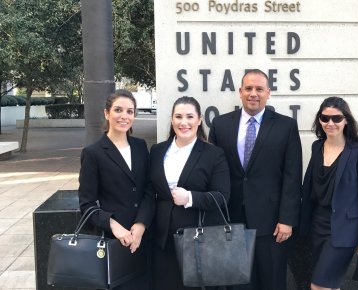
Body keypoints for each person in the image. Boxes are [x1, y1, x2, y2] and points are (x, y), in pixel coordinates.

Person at [209, 69, 302, 290]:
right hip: (231, 218)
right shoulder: (220, 125)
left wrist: (287, 219)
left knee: (271, 280)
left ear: (268, 93)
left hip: (271, 222)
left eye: (259, 89)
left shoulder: (286, 126)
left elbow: (292, 174)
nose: (253, 93)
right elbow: (213, 172)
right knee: (237, 283)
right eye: (248, 88)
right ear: (240, 92)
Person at [149, 96, 230, 290]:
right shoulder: (158, 150)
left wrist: (190, 198)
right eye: (178, 116)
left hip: (197, 240)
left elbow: (222, 196)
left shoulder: (213, 154)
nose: (183, 122)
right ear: (171, 119)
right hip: (161, 239)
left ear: (199, 119)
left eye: (189, 116)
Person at [78, 89, 154, 290]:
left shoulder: (140, 146)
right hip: (114, 241)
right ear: (106, 113)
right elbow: (86, 203)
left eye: (130, 111)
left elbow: (148, 189)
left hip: (143, 237)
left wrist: (141, 223)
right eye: (118, 110)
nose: (124, 116)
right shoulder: (93, 153)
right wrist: (113, 225)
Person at [299, 96, 358, 290]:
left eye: (336, 118)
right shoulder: (317, 147)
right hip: (318, 226)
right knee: (331, 286)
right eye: (325, 118)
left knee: (318, 286)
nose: (330, 123)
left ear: (346, 120)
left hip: (344, 231)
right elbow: (308, 187)